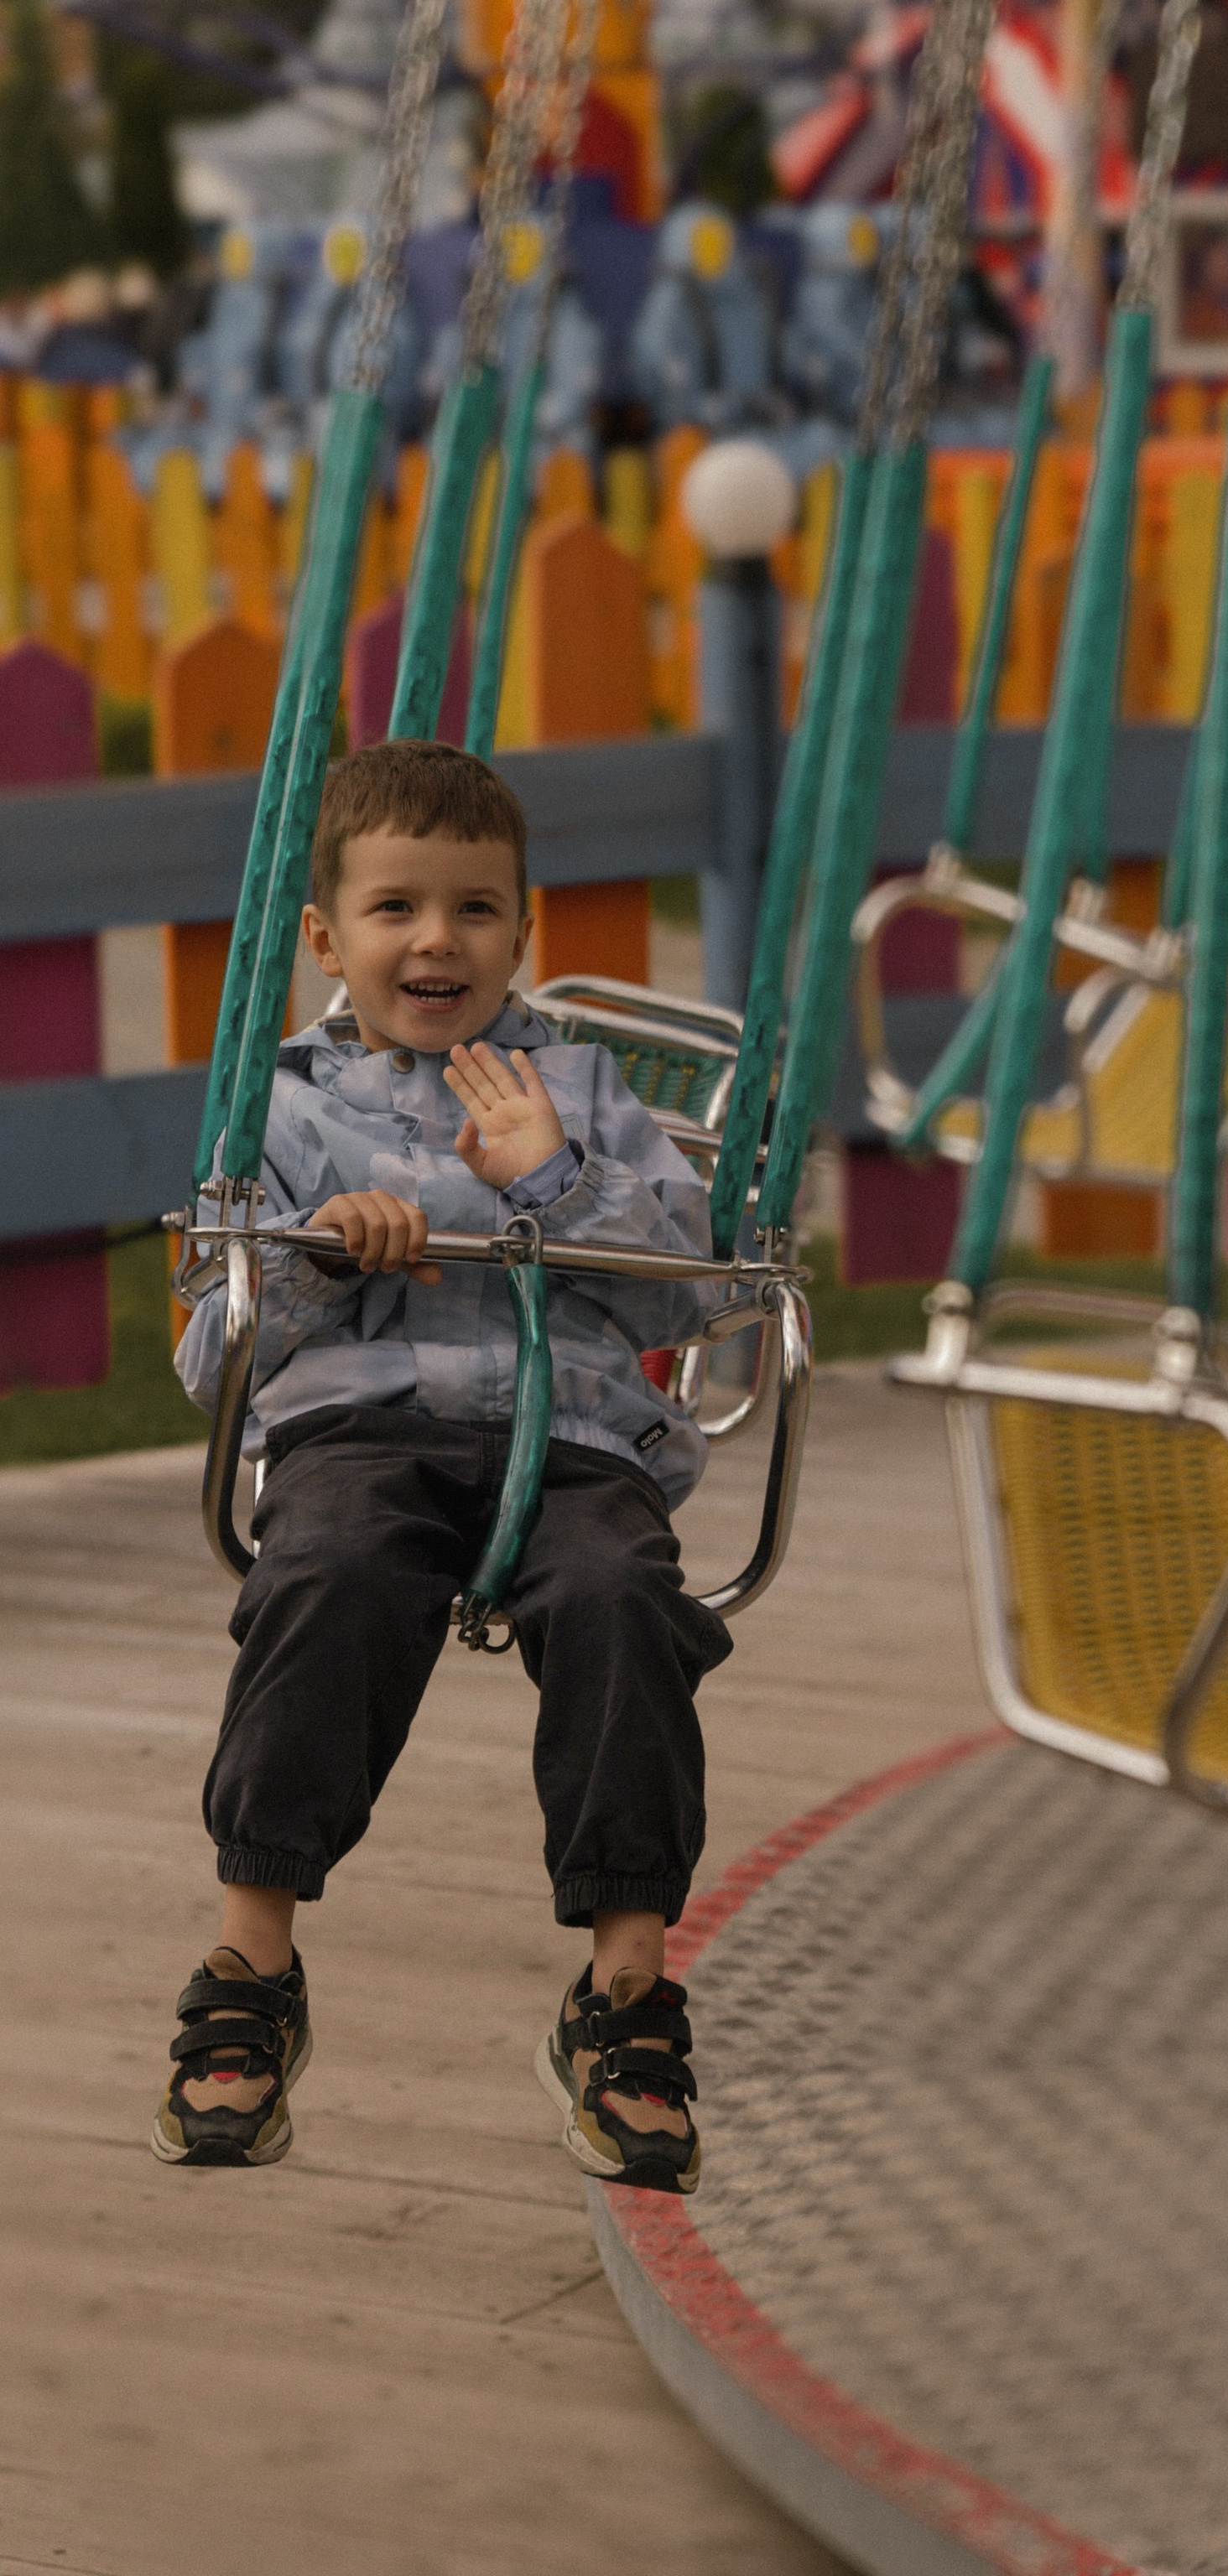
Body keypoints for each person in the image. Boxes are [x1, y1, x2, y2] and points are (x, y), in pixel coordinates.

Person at [155, 739, 730, 2193]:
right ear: (327, 937)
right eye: (398, 906)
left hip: (573, 1435)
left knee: (620, 1595)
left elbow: (690, 1298)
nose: (437, 939)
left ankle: (624, 1991)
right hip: (362, 1431)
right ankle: (252, 1961)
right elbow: (209, 1361)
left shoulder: (587, 1092)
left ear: (522, 930)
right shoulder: (278, 1112)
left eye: (476, 909)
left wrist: (556, 1182)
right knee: (328, 1570)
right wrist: (319, 1265)